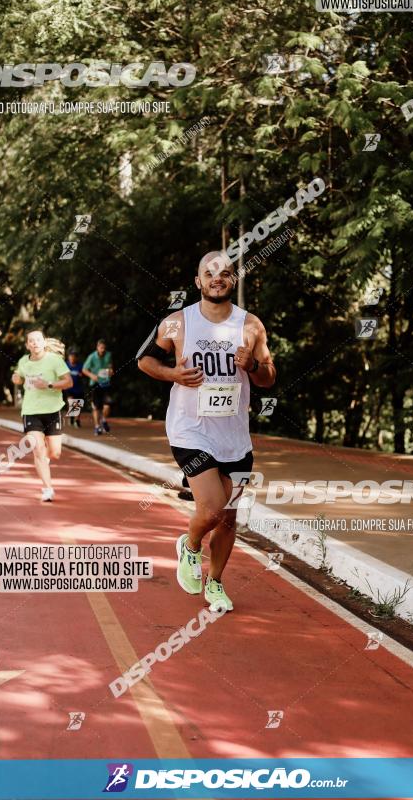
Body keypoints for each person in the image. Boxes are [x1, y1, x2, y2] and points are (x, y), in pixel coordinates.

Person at [138, 250, 276, 611]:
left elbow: (269, 377)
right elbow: (144, 360)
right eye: (209, 272)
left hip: (234, 436)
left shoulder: (251, 325)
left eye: (226, 272)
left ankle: (215, 583)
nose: (218, 277)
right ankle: (190, 544)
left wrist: (254, 365)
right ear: (198, 281)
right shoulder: (176, 323)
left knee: (229, 515)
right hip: (189, 430)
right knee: (213, 508)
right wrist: (173, 374)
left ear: (233, 280)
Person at [11, 331, 72, 502]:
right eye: (31, 341)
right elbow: (18, 377)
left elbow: (69, 382)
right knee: (37, 449)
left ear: (44, 342)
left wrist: (49, 384)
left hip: (53, 411)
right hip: (31, 411)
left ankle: (44, 460)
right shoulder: (23, 361)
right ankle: (47, 488)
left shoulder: (55, 360)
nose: (35, 343)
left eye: (38, 340)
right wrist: (16, 378)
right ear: (27, 345)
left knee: (55, 453)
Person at [83, 339, 114, 436]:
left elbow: (110, 366)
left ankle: (103, 420)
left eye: (104, 348)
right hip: (95, 384)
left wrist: (110, 371)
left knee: (107, 405)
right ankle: (97, 427)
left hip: (106, 383)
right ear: (97, 348)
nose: (102, 350)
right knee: (96, 407)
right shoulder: (92, 357)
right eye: (101, 348)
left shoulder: (108, 355)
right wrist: (92, 375)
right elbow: (84, 369)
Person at [65, 347, 85, 427]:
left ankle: (76, 419)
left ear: (76, 357)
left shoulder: (80, 365)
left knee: (77, 403)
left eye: (74, 356)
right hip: (68, 387)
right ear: (68, 356)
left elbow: (84, 373)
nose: (72, 357)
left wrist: (81, 375)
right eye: (71, 356)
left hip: (78, 388)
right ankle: (72, 415)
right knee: (71, 401)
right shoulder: (65, 365)